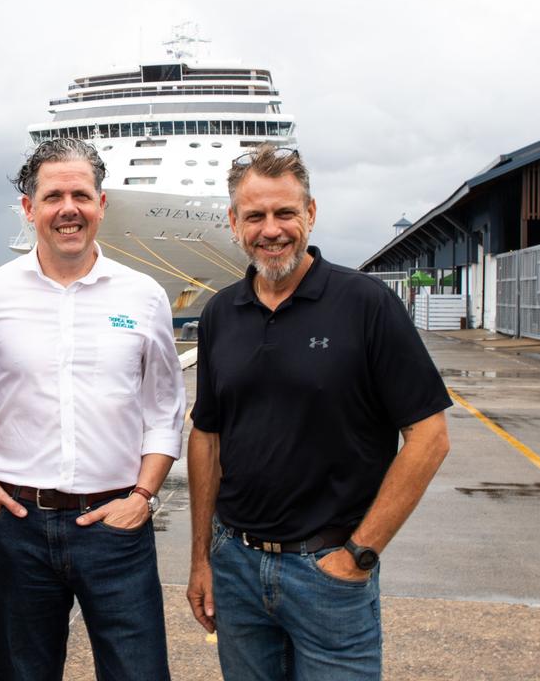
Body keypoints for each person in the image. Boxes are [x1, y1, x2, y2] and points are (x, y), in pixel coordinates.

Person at [185, 144, 451, 680]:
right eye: (255, 216)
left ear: (310, 213)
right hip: (235, 564)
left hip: (329, 571)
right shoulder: (220, 313)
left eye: (285, 212)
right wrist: (201, 559)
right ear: (233, 223)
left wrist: (359, 555)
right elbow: (207, 437)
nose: (272, 229)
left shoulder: (366, 304)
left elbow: (429, 436)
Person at [0, 138, 186, 681]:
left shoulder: (144, 296)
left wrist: (143, 496)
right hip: (17, 527)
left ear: (101, 204)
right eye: (53, 196)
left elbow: (166, 407)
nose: (67, 208)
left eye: (81, 194)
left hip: (116, 525)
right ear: (30, 209)